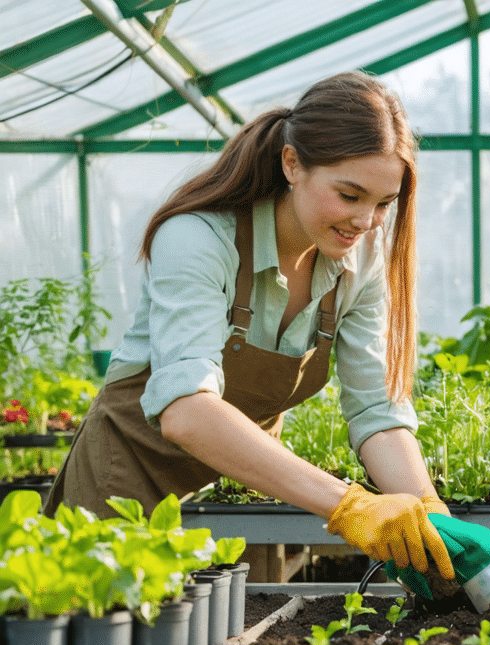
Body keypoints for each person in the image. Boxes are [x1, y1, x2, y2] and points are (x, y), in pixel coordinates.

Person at [43, 71, 453, 580]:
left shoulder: (359, 261)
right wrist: (351, 506)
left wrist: (425, 507)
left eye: (383, 204)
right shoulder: (197, 238)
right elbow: (186, 412)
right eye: (350, 195)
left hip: (230, 484)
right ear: (292, 163)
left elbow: (376, 409)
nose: (366, 222)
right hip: (123, 484)